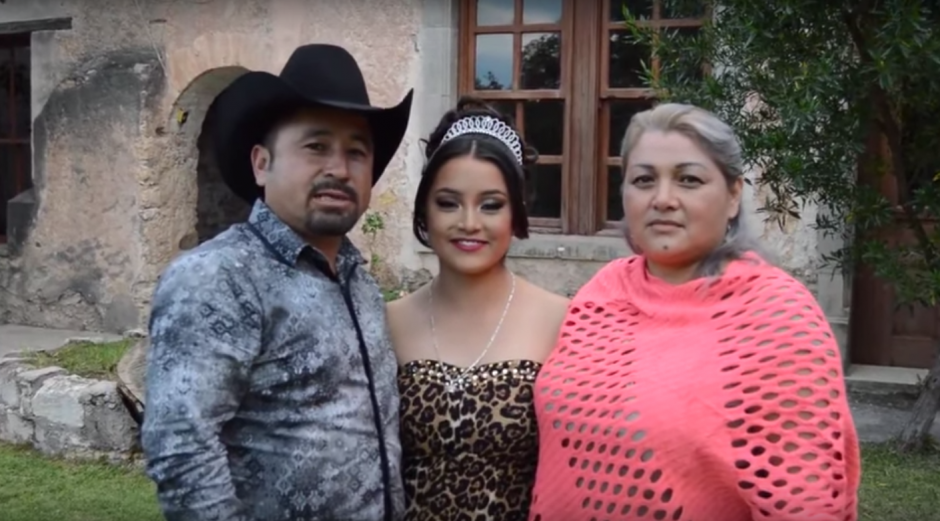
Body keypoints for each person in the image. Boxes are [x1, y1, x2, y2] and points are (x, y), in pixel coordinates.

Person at [528, 103, 860, 521]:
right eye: (644, 180)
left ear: (734, 195)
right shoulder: (601, 295)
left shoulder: (777, 317)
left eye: (688, 180)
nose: (663, 199)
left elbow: (802, 503)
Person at [141, 44, 413, 521]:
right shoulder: (220, 277)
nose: (338, 168)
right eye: (316, 146)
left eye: (356, 152)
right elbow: (182, 451)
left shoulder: (360, 285)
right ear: (262, 163)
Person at [387, 97, 569, 521]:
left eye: (491, 205)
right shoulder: (388, 322)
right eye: (448, 203)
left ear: (516, 212)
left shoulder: (562, 321)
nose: (469, 222)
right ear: (424, 211)